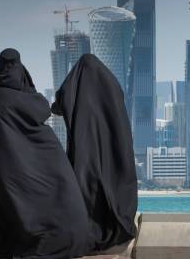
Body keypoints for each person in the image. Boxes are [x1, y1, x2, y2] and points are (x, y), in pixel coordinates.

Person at [0, 49, 91, 259]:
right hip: (42, 157)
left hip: (4, 166)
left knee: (11, 204)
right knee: (60, 195)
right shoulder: (26, 98)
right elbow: (43, 109)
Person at [52, 53, 137, 251]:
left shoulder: (74, 87)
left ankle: (86, 229)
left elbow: (59, 104)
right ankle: (113, 225)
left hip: (84, 148)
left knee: (85, 185)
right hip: (112, 147)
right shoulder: (111, 84)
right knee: (111, 182)